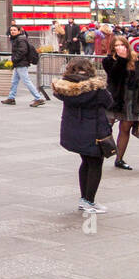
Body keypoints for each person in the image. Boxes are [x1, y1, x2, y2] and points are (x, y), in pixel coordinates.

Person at [52, 57, 113, 213]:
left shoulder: (65, 88)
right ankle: (89, 201)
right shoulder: (96, 88)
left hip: (74, 131)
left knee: (85, 162)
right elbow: (109, 101)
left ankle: (84, 199)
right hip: (94, 130)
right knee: (95, 164)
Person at [99, 35, 138, 170]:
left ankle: (119, 158)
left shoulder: (135, 59)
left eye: (122, 44)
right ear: (113, 47)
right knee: (105, 127)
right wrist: (121, 59)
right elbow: (114, 76)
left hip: (131, 98)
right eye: (116, 45)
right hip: (114, 98)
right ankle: (99, 155)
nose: (119, 47)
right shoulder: (108, 60)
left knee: (125, 128)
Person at [2, 24, 47, 108]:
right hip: (19, 63)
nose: (12, 31)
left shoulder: (20, 39)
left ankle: (38, 98)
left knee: (26, 81)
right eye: (11, 30)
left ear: (19, 31)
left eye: (14, 30)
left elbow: (23, 51)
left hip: (21, 63)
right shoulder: (17, 39)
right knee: (14, 82)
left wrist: (15, 59)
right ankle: (11, 98)